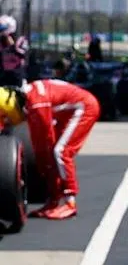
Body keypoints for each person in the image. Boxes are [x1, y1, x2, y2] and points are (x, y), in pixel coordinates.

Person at [0, 79, 101, 220]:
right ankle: (54, 201)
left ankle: (70, 202)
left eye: (6, 118)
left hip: (84, 107)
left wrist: (44, 167)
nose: (6, 122)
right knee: (51, 154)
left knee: (60, 151)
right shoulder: (25, 96)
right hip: (67, 110)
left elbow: (44, 139)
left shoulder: (37, 105)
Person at [0, 14, 29, 88]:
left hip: (15, 76)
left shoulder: (20, 40)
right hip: (2, 75)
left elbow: (21, 53)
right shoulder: (1, 41)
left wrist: (12, 45)